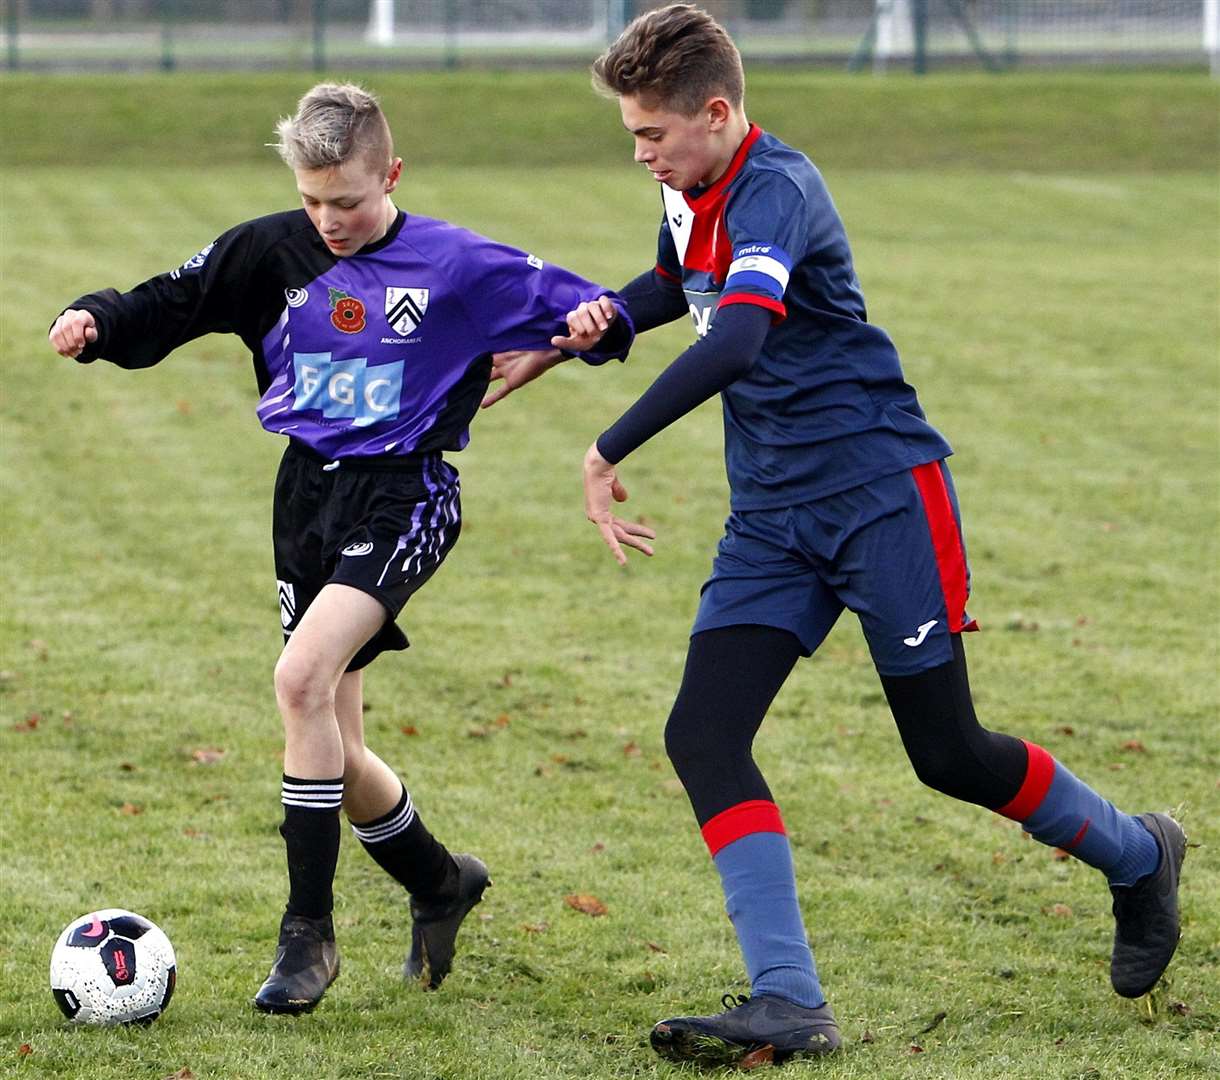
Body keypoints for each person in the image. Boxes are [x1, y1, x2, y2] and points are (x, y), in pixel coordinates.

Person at [484, 4, 1187, 1068]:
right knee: (704, 735)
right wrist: (582, 333)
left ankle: (1138, 857)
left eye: (650, 135)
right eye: (631, 136)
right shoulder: (687, 193)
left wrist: (606, 443)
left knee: (945, 753)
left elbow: (742, 338)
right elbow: (677, 285)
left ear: (715, 113)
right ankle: (787, 1000)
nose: (639, 155)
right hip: (771, 516)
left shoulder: (778, 187)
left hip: (877, 494)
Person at [47, 82, 635, 1015]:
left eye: (350, 201)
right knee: (339, 748)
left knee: (297, 682)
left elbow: (587, 313)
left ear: (392, 174)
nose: (330, 221)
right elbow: (169, 301)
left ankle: (307, 939)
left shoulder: (456, 262)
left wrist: (600, 326)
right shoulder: (267, 249)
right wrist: (95, 321)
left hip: (406, 494)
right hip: (306, 501)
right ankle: (441, 881)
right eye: (314, 199)